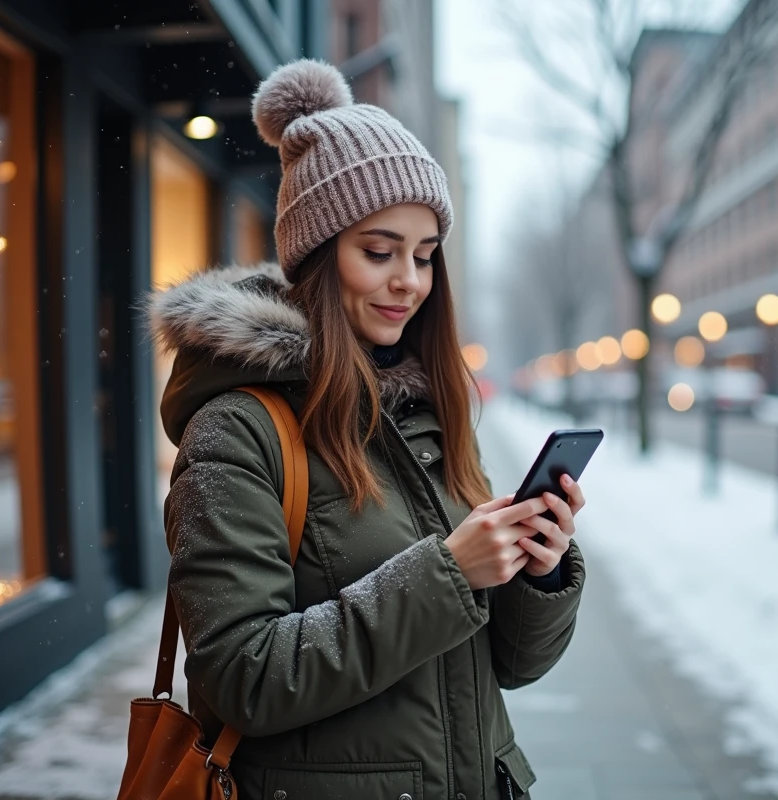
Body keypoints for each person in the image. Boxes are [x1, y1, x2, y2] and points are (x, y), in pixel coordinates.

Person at [150, 59, 586, 800]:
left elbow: (509, 668)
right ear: (317, 257)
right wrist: (448, 573)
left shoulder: (430, 413)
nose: (409, 281)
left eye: (423, 257)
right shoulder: (237, 431)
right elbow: (240, 679)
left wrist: (536, 572)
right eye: (378, 252)